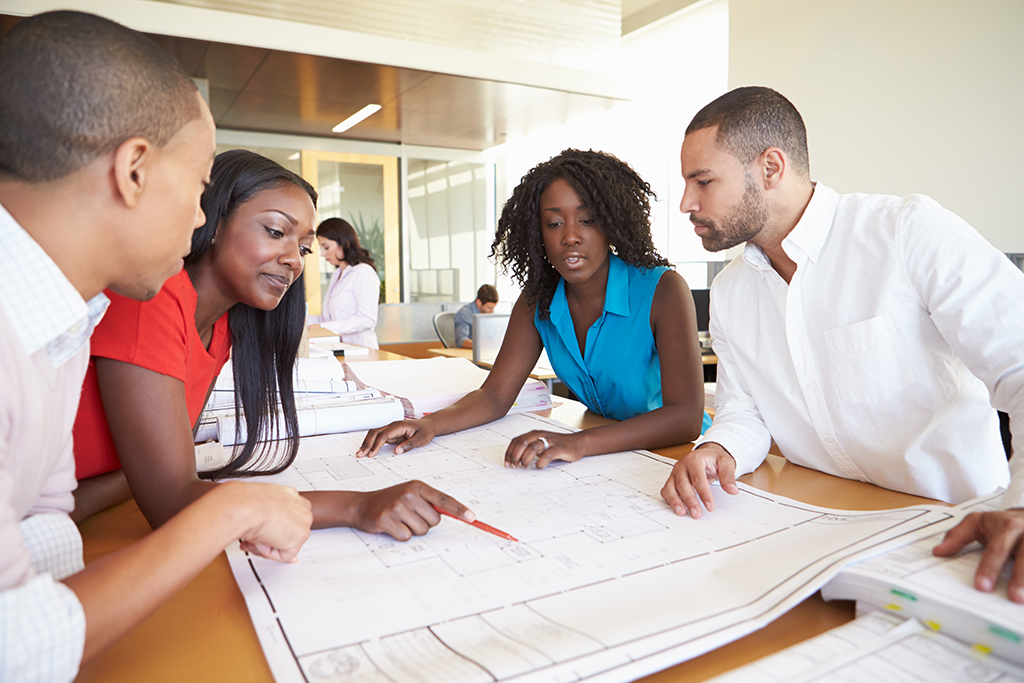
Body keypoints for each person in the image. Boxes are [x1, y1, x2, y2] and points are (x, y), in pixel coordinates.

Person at [0, 12, 312, 681]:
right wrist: (232, 507)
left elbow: (47, 528)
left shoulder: (64, 321)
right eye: (200, 187)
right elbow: (11, 646)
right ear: (134, 170)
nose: (201, 217)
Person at [659, 86, 1024, 602]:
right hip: (823, 535)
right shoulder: (732, 290)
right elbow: (745, 413)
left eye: (703, 181)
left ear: (770, 168)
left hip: (959, 533)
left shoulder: (906, 233)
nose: (686, 203)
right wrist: (718, 447)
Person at [72, 149, 473, 541]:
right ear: (211, 219)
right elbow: (171, 502)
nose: (295, 261)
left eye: (303, 248)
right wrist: (355, 507)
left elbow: (162, 477)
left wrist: (92, 498)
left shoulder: (224, 325)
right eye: (275, 232)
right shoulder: (152, 298)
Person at [359, 149, 711, 467]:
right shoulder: (538, 299)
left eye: (587, 220)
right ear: (537, 232)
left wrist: (579, 443)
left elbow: (686, 417)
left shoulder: (662, 289)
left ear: (612, 225)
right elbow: (496, 394)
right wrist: (429, 424)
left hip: (679, 454)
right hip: (608, 454)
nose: (570, 236)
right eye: (554, 223)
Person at [306, 217, 380, 348]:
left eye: (326, 247)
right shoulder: (337, 275)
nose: (323, 254)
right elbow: (330, 319)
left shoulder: (363, 272)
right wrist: (300, 321)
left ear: (343, 243)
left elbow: (367, 319)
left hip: (361, 351)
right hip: (340, 350)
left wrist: (321, 326)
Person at [454, 284, 499, 349]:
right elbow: (460, 341)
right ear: (478, 302)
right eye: (489, 307)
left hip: (487, 351)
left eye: (493, 307)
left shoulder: (487, 313)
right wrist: (482, 344)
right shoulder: (464, 313)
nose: (492, 311)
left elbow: (492, 335)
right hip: (471, 353)